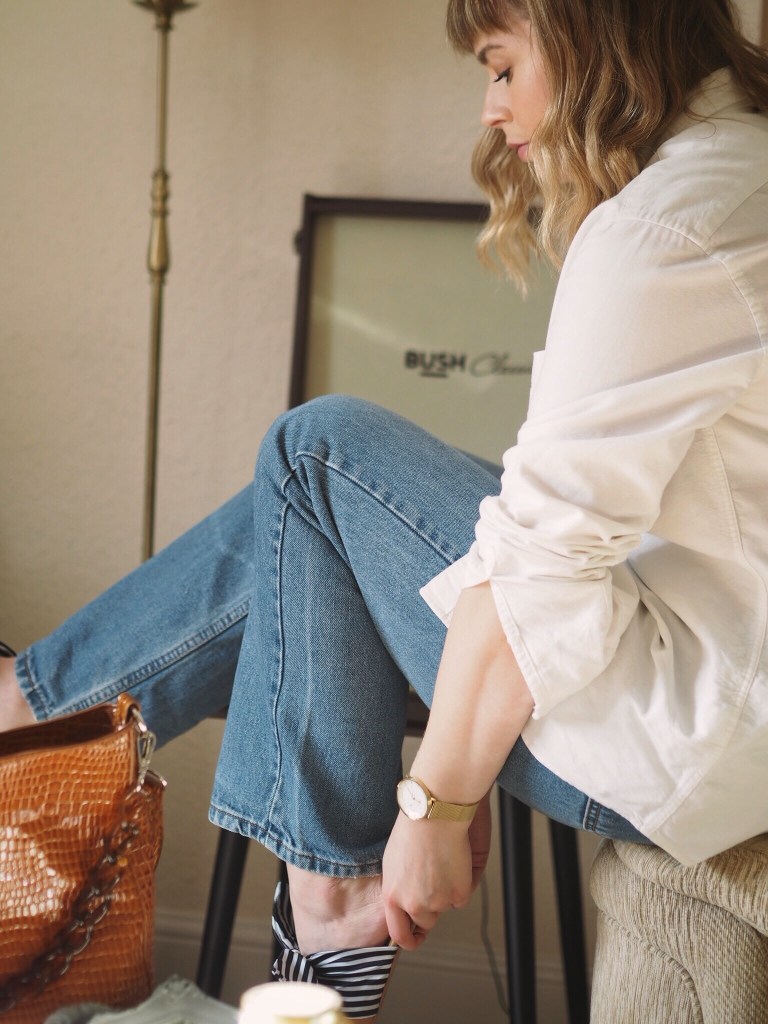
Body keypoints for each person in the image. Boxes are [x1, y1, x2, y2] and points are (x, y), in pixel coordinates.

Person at [2, 0, 768, 1018]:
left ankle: (309, 882)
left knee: (317, 456)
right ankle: (45, 718)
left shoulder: (668, 226)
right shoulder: (738, 169)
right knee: (307, 523)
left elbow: (542, 567)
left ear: (586, 38)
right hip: (716, 689)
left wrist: (440, 798)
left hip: (686, 749)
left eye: (502, 65)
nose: (493, 109)